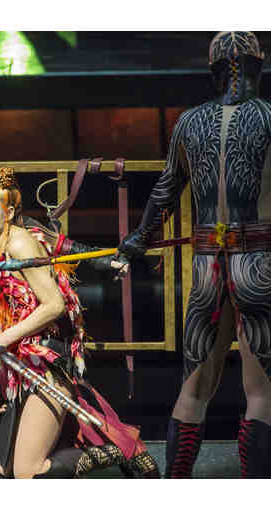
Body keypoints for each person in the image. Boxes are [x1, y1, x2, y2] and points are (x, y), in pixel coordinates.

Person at [117, 31, 271, 478]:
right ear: (258, 66)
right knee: (262, 392)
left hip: (207, 265)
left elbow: (166, 189)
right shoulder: (268, 117)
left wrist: (139, 238)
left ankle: (177, 485)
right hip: (258, 261)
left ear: (213, 71)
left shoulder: (189, 123)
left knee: (194, 386)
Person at [0, 166, 160, 478]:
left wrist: (3, 339)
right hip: (21, 361)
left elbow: (54, 304)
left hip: (48, 361)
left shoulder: (19, 243)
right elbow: (57, 252)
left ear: (8, 212)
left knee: (27, 473)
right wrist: (2, 373)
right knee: (4, 468)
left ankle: (114, 450)